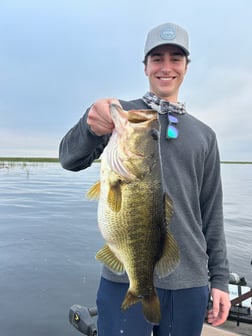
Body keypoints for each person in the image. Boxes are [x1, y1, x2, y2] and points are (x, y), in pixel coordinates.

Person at [59, 22, 231, 336]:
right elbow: (69, 159)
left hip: (189, 278)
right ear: (145, 67)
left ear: (186, 67)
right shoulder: (122, 116)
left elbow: (212, 212)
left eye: (175, 58)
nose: (166, 67)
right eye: (157, 58)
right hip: (123, 275)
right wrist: (89, 126)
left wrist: (219, 279)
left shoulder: (205, 136)